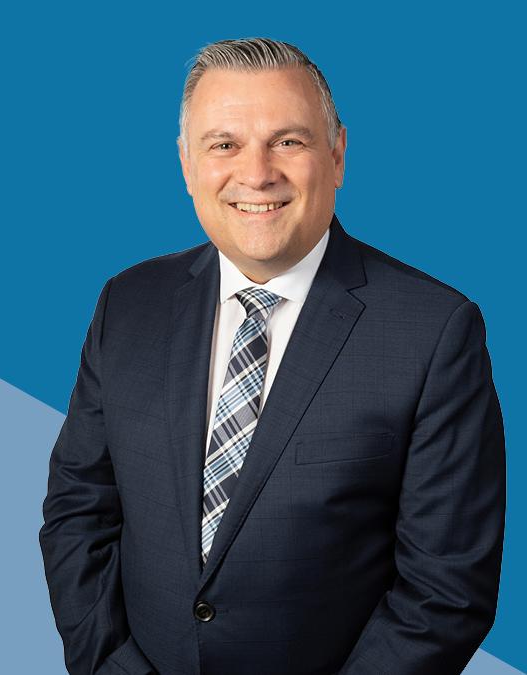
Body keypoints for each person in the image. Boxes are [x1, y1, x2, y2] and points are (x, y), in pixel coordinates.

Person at [39, 37, 505, 675]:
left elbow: (445, 593)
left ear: (337, 153)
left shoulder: (433, 331)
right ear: (186, 164)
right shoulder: (128, 303)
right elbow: (77, 511)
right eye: (224, 144)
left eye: (288, 141)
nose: (256, 174)